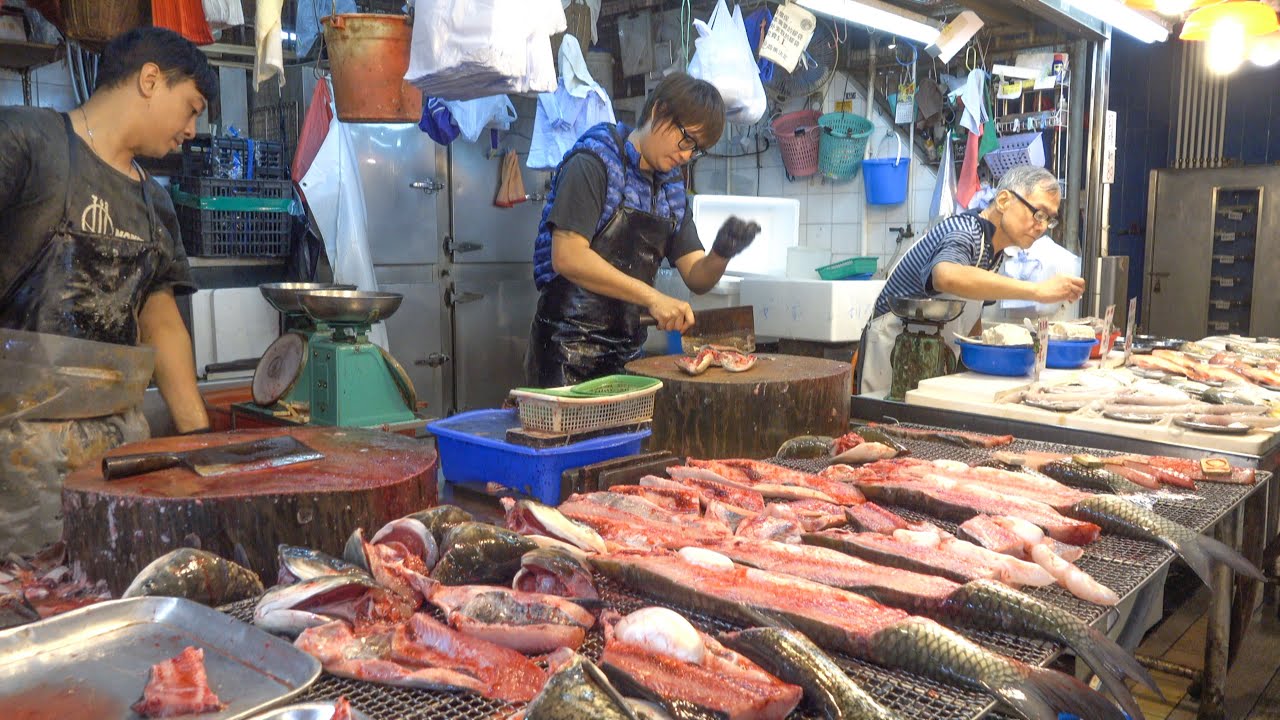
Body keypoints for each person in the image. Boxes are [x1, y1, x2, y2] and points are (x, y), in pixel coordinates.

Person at [0, 27, 217, 554]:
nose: (191, 130)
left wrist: (200, 449)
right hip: (14, 455)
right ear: (150, 80)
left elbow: (160, 321)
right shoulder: (26, 141)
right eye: (190, 108)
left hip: (119, 452)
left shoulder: (154, 203)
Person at [526, 72, 760, 386]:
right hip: (566, 350)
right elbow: (568, 256)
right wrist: (652, 297)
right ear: (658, 111)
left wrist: (722, 253)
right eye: (686, 139)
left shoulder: (670, 189)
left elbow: (697, 277)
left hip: (627, 353)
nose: (687, 154)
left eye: (697, 149)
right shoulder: (594, 162)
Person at [856, 165, 1085, 396]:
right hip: (891, 353)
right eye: (1039, 213)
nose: (1042, 226)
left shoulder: (994, 253)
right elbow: (945, 276)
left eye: (1049, 220)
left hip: (930, 362)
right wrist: (1037, 291)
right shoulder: (965, 230)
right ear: (1004, 200)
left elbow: (972, 318)